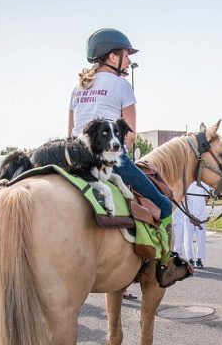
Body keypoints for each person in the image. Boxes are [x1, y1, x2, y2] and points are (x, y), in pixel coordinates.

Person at [68, 28, 188, 284]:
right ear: (112, 57)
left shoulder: (77, 88)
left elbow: (71, 131)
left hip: (75, 157)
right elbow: (129, 135)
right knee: (165, 205)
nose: (129, 61)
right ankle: (163, 263)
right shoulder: (122, 85)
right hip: (111, 158)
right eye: (126, 55)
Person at [183, 181, 209, 268]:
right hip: (189, 215)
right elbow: (183, 199)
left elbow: (206, 199)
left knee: (201, 238)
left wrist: (200, 210)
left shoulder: (204, 183)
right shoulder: (187, 182)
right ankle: (190, 259)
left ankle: (199, 259)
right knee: (188, 237)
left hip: (201, 215)